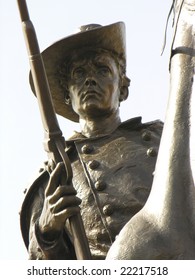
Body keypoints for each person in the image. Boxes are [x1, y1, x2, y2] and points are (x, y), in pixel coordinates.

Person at [20, 22, 163, 260]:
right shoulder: (52, 176)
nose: (89, 80)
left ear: (123, 88)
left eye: (102, 70)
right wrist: (47, 232)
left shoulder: (162, 140)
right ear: (68, 94)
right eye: (79, 74)